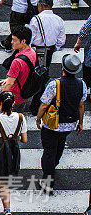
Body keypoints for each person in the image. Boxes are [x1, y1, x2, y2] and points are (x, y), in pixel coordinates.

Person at [36, 53, 86, 192]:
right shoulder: (82, 84)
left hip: (52, 124)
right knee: (60, 144)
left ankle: (48, 181)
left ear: (63, 68)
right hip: (69, 124)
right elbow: (81, 105)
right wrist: (80, 122)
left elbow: (44, 105)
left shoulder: (54, 84)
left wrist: (38, 118)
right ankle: (54, 164)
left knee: (49, 151)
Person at [0, 26, 37, 111]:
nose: (12, 42)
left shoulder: (17, 61)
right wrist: (8, 80)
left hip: (15, 97)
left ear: (23, 41)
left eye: (14, 40)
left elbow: (9, 84)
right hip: (25, 93)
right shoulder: (32, 52)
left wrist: (0, 102)